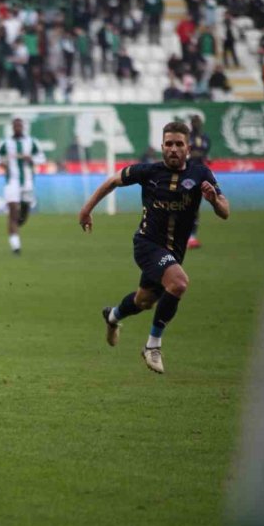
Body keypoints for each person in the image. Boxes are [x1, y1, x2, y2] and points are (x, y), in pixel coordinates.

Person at [78, 121, 230, 374]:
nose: (173, 149)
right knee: (178, 283)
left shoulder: (201, 174)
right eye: (169, 144)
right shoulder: (148, 172)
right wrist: (86, 209)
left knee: (144, 300)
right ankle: (152, 345)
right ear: (162, 146)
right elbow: (113, 181)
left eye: (179, 144)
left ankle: (113, 316)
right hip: (147, 244)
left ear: (188, 148)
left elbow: (225, 211)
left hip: (173, 253)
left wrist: (214, 200)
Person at [0, 118, 46, 255]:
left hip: (28, 182)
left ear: (23, 127)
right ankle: (15, 246)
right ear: (12, 127)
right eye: (15, 126)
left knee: (23, 216)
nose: (17, 128)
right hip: (12, 182)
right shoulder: (5, 143)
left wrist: (31, 159)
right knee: (13, 211)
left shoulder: (32, 142)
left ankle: (14, 228)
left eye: (19, 125)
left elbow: (42, 158)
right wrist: (2, 163)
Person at [187, 115, 211, 249]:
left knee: (194, 206)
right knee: (182, 204)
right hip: (186, 174)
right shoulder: (186, 138)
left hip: (199, 174)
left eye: (198, 122)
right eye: (194, 122)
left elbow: (205, 153)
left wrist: (205, 158)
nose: (196, 124)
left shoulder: (205, 138)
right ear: (191, 124)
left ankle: (191, 237)